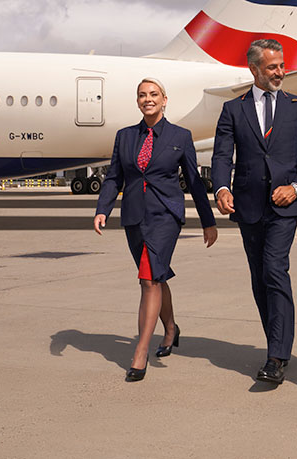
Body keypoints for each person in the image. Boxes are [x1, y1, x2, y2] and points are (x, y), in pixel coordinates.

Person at [93, 78, 218, 381]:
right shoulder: (125, 137)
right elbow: (114, 178)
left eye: (153, 95)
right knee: (156, 276)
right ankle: (171, 327)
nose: (147, 99)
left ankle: (140, 352)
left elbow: (194, 182)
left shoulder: (180, 136)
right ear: (138, 101)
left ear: (164, 99)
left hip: (165, 216)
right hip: (134, 216)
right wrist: (102, 209)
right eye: (142, 95)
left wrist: (208, 221)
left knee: (148, 279)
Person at [211, 39, 297, 383]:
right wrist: (221, 187)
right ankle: (275, 343)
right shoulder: (233, 109)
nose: (280, 72)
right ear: (254, 69)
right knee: (260, 277)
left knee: (275, 269)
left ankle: (277, 355)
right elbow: (221, 156)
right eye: (272, 67)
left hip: (285, 206)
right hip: (248, 206)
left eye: (282, 65)